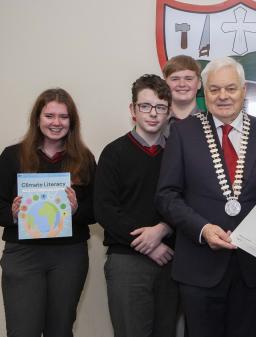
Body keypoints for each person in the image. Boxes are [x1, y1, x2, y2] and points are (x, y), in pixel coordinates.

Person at [155, 57, 256, 337]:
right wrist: (202, 229)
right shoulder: (182, 133)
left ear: (243, 91)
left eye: (230, 88)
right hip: (199, 266)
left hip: (253, 267)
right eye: (214, 89)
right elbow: (167, 196)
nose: (223, 96)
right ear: (205, 92)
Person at [0, 88, 96, 337]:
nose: (56, 123)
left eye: (63, 117)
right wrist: (12, 214)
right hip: (23, 255)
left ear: (72, 121)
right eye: (49, 116)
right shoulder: (12, 155)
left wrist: (76, 211)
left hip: (69, 256)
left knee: (61, 329)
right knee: (23, 330)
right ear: (37, 118)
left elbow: (96, 210)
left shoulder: (84, 159)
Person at [94, 74, 179, 337]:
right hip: (127, 262)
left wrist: (162, 230)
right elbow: (104, 209)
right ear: (133, 110)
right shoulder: (114, 152)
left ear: (169, 112)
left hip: (170, 260)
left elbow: (187, 202)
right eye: (145, 106)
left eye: (160, 107)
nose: (153, 114)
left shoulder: (177, 154)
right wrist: (148, 243)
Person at [161, 55, 202, 137]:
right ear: (165, 84)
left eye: (188, 78)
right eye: (175, 79)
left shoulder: (211, 122)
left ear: (199, 84)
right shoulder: (155, 122)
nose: (182, 84)